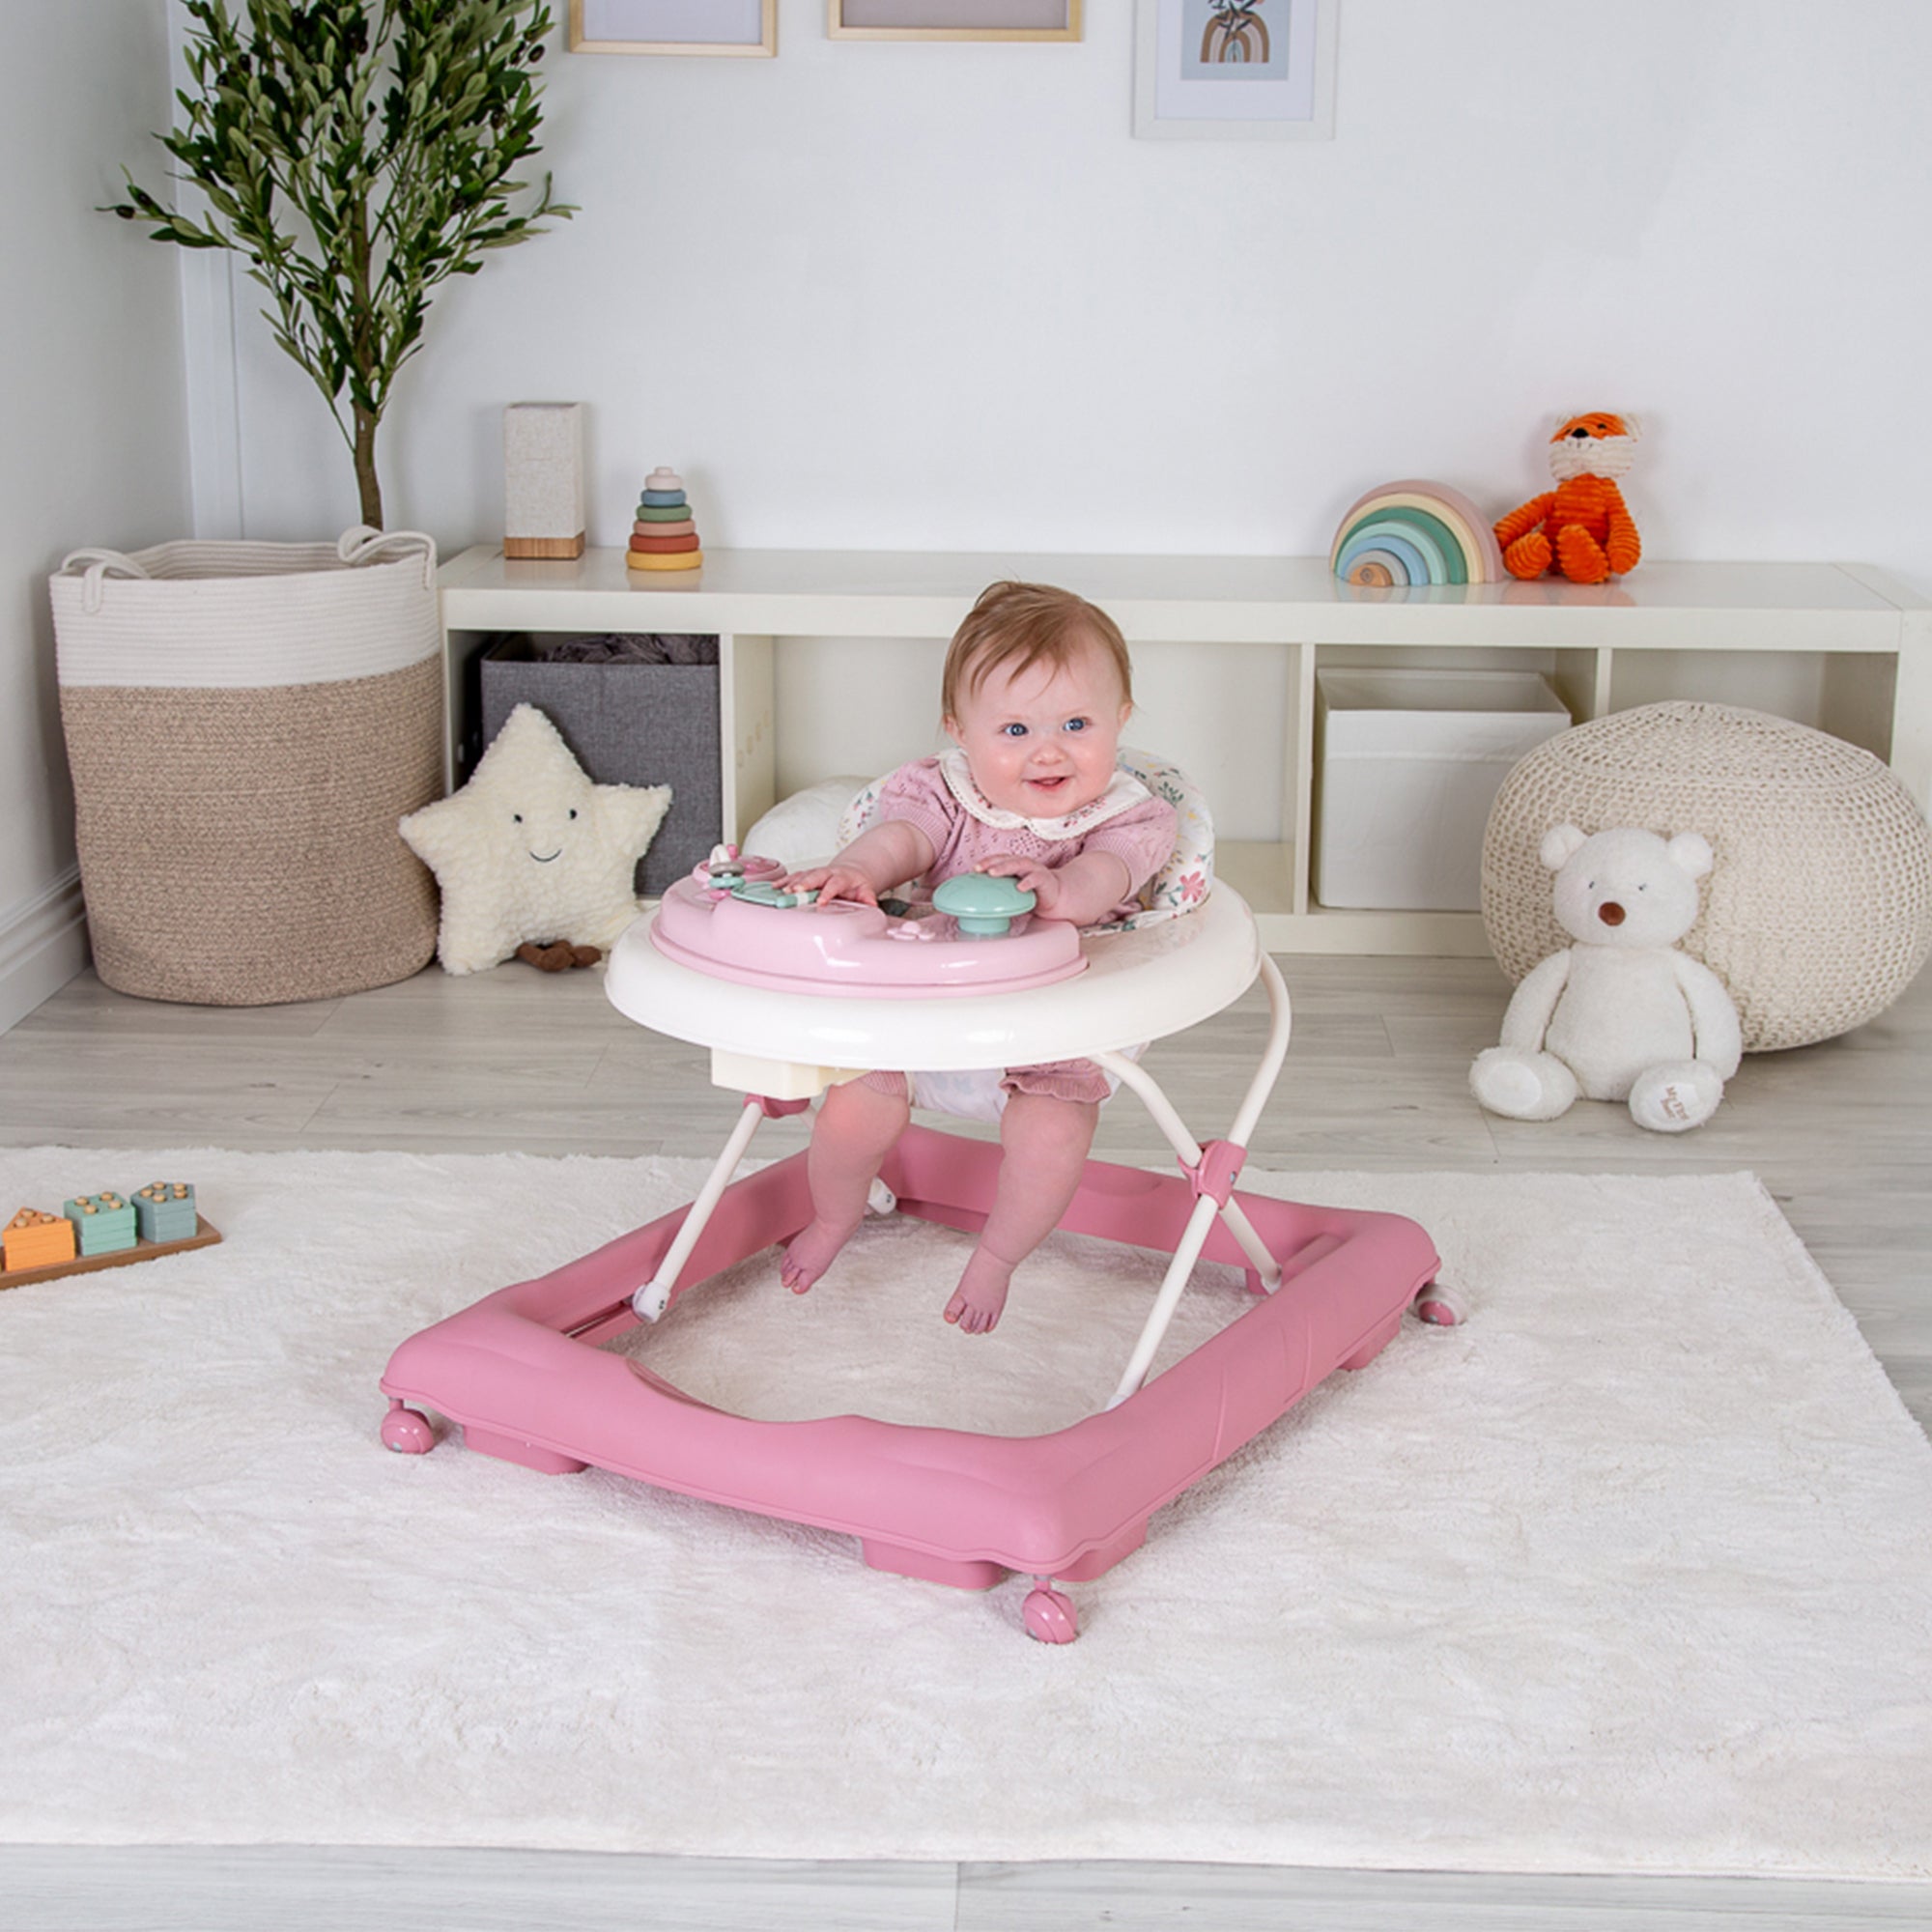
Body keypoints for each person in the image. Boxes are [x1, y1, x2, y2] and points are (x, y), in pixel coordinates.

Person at [779, 581, 1177, 1334]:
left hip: (1056, 1029)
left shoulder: (1129, 815)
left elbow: (1109, 874)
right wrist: (859, 870)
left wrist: (1062, 889)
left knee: (1052, 1137)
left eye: (1077, 724)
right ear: (959, 731)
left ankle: (997, 1257)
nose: (1049, 750)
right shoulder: (947, 794)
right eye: (1015, 729)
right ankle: (834, 1215)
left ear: (1121, 717)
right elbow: (904, 840)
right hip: (929, 1009)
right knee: (852, 1111)